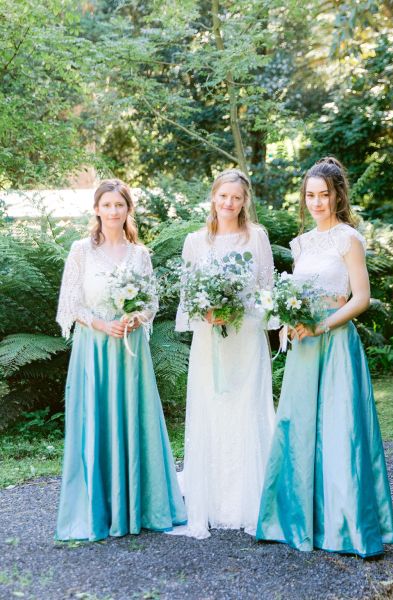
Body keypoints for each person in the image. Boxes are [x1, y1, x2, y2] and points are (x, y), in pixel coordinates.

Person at [256, 157, 393, 557]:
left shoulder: (348, 239)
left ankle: (344, 525)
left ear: (338, 195)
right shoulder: (301, 245)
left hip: (334, 343)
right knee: (299, 427)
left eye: (324, 195)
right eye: (310, 195)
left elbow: (362, 298)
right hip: (303, 345)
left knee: (340, 429)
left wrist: (321, 325)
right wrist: (288, 321)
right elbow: (295, 296)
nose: (317, 202)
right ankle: (299, 520)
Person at [55, 179, 186, 541]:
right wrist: (101, 323)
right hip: (94, 348)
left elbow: (151, 302)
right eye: (107, 205)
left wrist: (136, 318)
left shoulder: (139, 254)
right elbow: (70, 304)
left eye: (120, 205)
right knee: (97, 420)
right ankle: (99, 508)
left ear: (128, 210)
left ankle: (139, 506)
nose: (113, 211)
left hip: (129, 352)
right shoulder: (80, 250)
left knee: (133, 418)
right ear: (96, 209)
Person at [173, 168, 275, 539]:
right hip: (210, 340)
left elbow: (266, 291)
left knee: (247, 409)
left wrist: (239, 310)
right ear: (213, 198)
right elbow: (187, 297)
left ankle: (251, 502)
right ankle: (212, 503)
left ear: (245, 201)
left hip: (246, 338)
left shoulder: (257, 238)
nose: (229, 203)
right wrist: (208, 311)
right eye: (223, 196)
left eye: (236, 197)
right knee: (213, 408)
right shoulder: (195, 241)